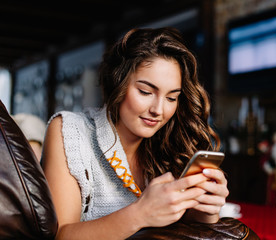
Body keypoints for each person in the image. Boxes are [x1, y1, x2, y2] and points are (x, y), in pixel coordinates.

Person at [41, 27, 229, 239]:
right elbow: (61, 235)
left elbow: (181, 230)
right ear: (118, 83)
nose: (158, 110)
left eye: (171, 98)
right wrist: (140, 214)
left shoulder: (171, 144)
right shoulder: (70, 130)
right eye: (145, 92)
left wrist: (205, 211)